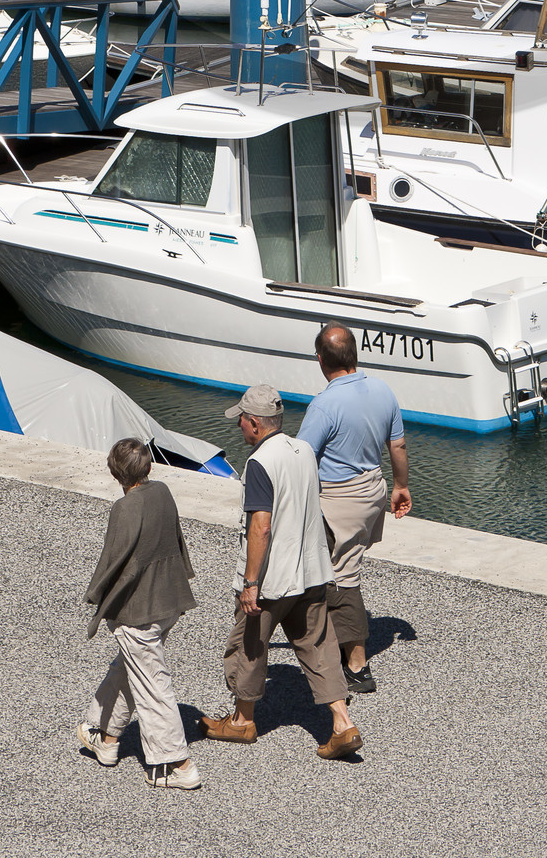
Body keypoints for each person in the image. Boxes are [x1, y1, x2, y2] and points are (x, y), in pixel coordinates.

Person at [200, 385, 362, 762]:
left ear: (255, 424)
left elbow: (262, 526)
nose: (238, 425)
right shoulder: (303, 450)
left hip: (274, 578)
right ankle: (342, 723)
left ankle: (242, 721)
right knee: (318, 644)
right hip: (312, 570)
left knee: (249, 644)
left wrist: (250, 583)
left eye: (241, 419)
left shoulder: (260, 463)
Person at [78, 438, 201, 792]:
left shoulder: (125, 508)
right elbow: (176, 542)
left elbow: (113, 562)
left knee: (152, 685)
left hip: (139, 609)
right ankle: (107, 737)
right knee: (130, 668)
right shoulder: (162, 491)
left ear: (115, 472)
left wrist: (96, 596)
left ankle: (178, 764)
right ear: (149, 468)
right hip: (169, 600)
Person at [298, 323, 411, 692]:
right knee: (341, 568)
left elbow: (301, 458)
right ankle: (325, 639)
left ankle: (357, 666)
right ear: (354, 354)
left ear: (320, 360)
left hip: (338, 500)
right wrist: (401, 486)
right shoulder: (383, 390)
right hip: (373, 489)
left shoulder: (324, 404)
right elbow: (398, 446)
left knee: (343, 577)